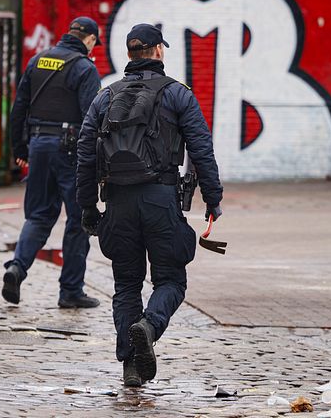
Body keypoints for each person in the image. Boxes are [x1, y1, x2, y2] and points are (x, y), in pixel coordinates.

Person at [76, 23, 223, 387]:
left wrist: (88, 207)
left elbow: (84, 154)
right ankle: (149, 325)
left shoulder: (105, 96)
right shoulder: (178, 94)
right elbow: (201, 148)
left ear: (129, 54)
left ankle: (131, 367)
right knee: (171, 278)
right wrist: (213, 198)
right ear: (158, 51)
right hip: (161, 198)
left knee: (126, 284)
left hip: (118, 201)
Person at [2, 17, 102, 309]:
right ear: (90, 40)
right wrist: (93, 161)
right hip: (69, 150)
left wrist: (19, 148)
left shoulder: (38, 60)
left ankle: (17, 268)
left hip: (38, 146)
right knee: (79, 219)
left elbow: (18, 107)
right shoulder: (85, 68)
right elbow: (90, 119)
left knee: (38, 215)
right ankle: (70, 291)